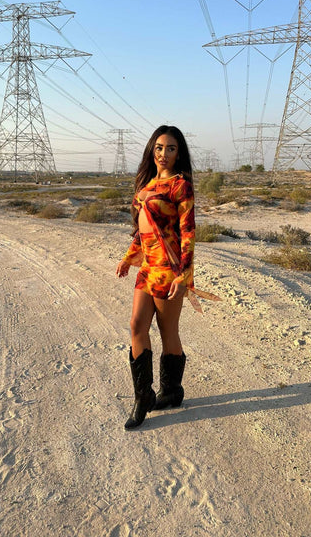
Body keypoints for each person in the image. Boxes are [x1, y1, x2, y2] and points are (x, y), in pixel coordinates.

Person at [116, 125, 219, 429]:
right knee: (136, 325)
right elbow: (144, 230)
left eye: (170, 148)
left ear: (179, 153)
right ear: (152, 149)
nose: (163, 154)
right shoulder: (145, 185)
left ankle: (172, 390)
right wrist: (127, 258)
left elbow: (187, 232)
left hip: (170, 269)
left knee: (167, 331)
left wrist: (185, 274)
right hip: (148, 266)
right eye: (159, 147)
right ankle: (143, 396)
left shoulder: (180, 186)